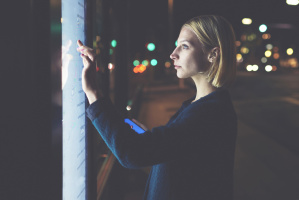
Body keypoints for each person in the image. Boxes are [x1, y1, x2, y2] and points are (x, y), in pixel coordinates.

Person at [77, 15, 237, 200]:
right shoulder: (200, 106)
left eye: (184, 46)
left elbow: (132, 153)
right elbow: (176, 152)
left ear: (213, 54)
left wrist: (93, 93)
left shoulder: (209, 114)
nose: (173, 54)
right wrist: (149, 140)